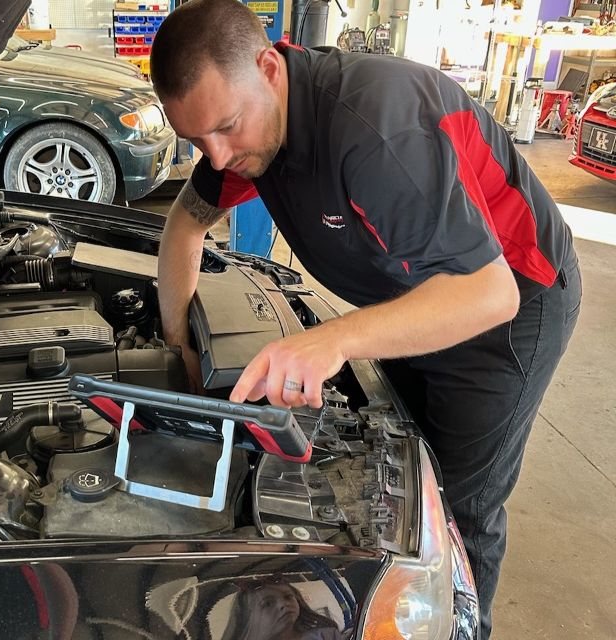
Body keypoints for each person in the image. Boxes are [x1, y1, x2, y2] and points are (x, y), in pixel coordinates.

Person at [149, 1, 581, 637]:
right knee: (395, 476)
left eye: (226, 128)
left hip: (509, 307)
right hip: (416, 296)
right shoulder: (249, 136)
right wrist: (180, 346)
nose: (215, 157)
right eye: (196, 140)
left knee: (450, 513)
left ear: (269, 67)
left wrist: (330, 341)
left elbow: (489, 294)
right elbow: (183, 229)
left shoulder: (374, 131)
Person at [221, 578, 343, 640]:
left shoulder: (326, 635)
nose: (282, 605)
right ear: (247, 617)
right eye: (268, 604)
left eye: (288, 596)